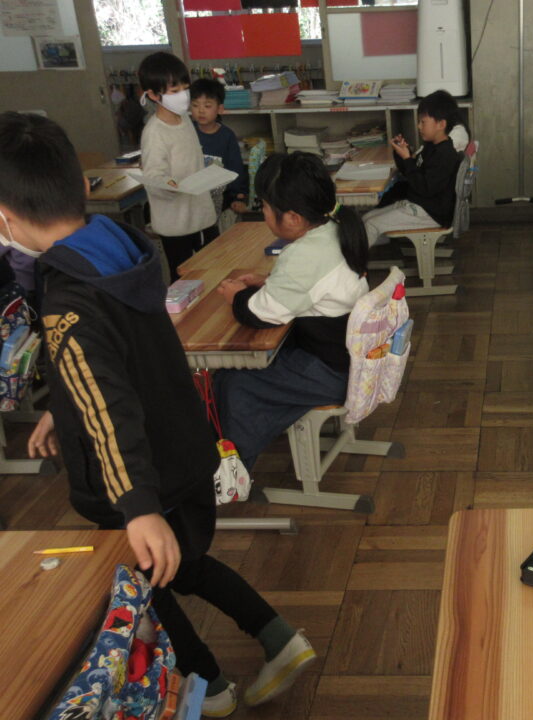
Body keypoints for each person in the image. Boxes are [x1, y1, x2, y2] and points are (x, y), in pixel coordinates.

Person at [0, 111, 314, 717]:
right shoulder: (118, 249)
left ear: (5, 216)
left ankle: (209, 685)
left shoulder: (67, 297)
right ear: (81, 186)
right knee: (186, 566)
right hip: (182, 451)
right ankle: (277, 637)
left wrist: (137, 506)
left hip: (134, 480)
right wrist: (63, 406)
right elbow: (110, 371)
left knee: (142, 586)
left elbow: (109, 406)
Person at [214, 151, 369, 472]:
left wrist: (236, 295)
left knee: (233, 380)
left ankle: (233, 473)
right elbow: (314, 287)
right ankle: (246, 445)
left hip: (331, 373)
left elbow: (260, 314)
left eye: (265, 206)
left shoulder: (305, 254)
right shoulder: (335, 227)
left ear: (293, 218)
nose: (262, 212)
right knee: (251, 372)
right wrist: (269, 281)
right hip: (348, 359)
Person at [138, 51, 218, 280]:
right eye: (174, 91)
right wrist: (168, 184)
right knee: (185, 280)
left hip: (202, 215)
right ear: (153, 95)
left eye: (185, 87)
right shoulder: (155, 132)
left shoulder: (184, 119)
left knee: (214, 271)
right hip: (176, 225)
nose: (183, 95)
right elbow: (153, 177)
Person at [363, 90, 465, 247]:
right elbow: (410, 174)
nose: (418, 126)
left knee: (370, 225)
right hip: (418, 204)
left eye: (423, 122)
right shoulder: (431, 146)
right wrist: (403, 154)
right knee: (366, 219)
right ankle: (375, 245)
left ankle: (355, 261)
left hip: (430, 213)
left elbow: (424, 187)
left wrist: (407, 159)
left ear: (441, 124)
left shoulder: (445, 154)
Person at [190, 78, 249, 215]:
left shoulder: (227, 136)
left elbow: (235, 168)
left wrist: (239, 196)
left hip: (221, 197)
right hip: (193, 196)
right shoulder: (188, 132)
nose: (201, 111)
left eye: (207, 106)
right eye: (195, 105)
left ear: (220, 109)